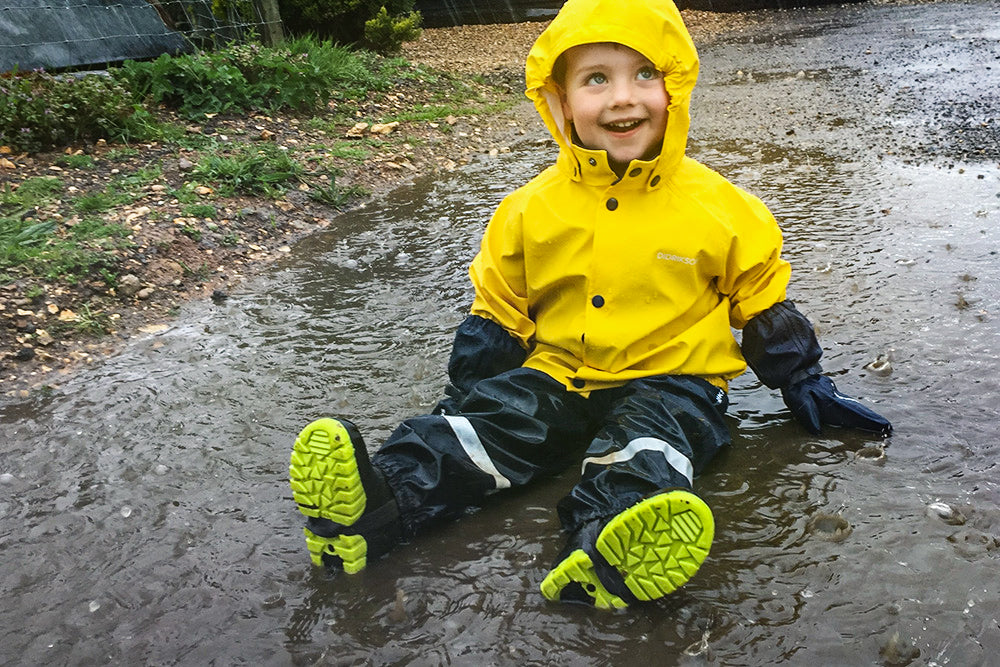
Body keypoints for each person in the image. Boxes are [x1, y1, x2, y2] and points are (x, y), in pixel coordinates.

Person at [288, 0, 892, 609]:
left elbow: (761, 301)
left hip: (675, 379)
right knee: (489, 425)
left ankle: (610, 543)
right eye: (595, 78)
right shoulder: (527, 209)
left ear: (674, 89)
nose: (623, 98)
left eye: (644, 75)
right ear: (558, 100)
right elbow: (499, 310)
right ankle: (378, 502)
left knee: (651, 448)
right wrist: (470, 394)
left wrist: (805, 381)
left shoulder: (721, 207)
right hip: (558, 373)